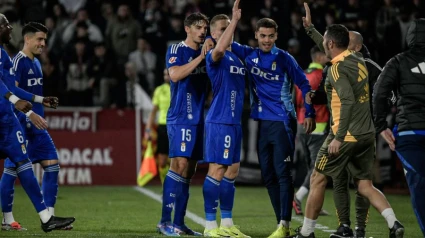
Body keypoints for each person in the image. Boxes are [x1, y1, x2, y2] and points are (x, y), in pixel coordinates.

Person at [209, 17, 316, 238]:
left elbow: (304, 83)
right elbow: (223, 42)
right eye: (263, 36)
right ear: (256, 36)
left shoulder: (284, 58)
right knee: (267, 176)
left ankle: (284, 225)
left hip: (283, 122)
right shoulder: (249, 55)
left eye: (271, 36)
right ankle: (281, 224)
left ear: (276, 36)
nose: (267, 40)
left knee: (282, 174)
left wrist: (309, 111)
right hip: (263, 124)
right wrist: (208, 42)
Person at [294, 24, 404, 238]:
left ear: (332, 44)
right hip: (366, 136)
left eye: (326, 42)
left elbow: (347, 101)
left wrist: (339, 137)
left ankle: (307, 233)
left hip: (344, 135)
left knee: (317, 177)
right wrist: (310, 29)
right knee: (365, 185)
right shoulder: (358, 61)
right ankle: (394, 223)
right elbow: (328, 46)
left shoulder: (336, 69)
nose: (323, 45)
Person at [0, 14, 75, 233]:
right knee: (13, 169)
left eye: (45, 40)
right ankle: (8, 218)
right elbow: (10, 91)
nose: (43, 44)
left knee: (51, 163)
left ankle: (48, 216)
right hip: (18, 122)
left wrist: (41, 100)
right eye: (40, 39)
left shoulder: (35, 62)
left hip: (35, 125)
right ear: (28, 39)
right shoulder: (18, 61)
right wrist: (27, 112)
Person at [156, 12, 210, 236]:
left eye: (205, 28)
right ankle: (164, 222)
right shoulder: (177, 50)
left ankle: (179, 223)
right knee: (177, 165)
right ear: (187, 28)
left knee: (189, 171)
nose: (202, 31)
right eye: (198, 27)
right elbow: (175, 75)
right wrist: (200, 59)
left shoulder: (208, 50)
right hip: (180, 117)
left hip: (199, 118)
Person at [373, 18, 425, 237]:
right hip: (410, 133)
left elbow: (379, 92)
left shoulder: (398, 61)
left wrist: (381, 126)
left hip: (409, 134)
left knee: (420, 186)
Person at [202, 2, 250, 237]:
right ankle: (210, 225)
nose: (227, 31)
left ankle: (227, 224)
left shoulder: (237, 57)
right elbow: (219, 49)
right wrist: (234, 20)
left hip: (234, 122)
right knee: (218, 170)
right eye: (222, 28)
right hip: (220, 120)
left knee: (232, 170)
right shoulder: (214, 55)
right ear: (212, 34)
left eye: (229, 28)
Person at [293, 46, 329, 217]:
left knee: (311, 167)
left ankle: (314, 205)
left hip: (301, 124)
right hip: (318, 126)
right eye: (326, 54)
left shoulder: (301, 74)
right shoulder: (322, 75)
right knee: (318, 169)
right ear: (320, 56)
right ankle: (298, 197)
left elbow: (295, 100)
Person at [145, 68, 171, 185]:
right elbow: (153, 112)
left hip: (176, 126)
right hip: (163, 127)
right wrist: (148, 129)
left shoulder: (180, 88)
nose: (166, 77)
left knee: (177, 161)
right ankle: (166, 187)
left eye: (168, 74)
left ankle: (176, 187)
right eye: (165, 74)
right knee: (162, 161)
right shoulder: (159, 90)